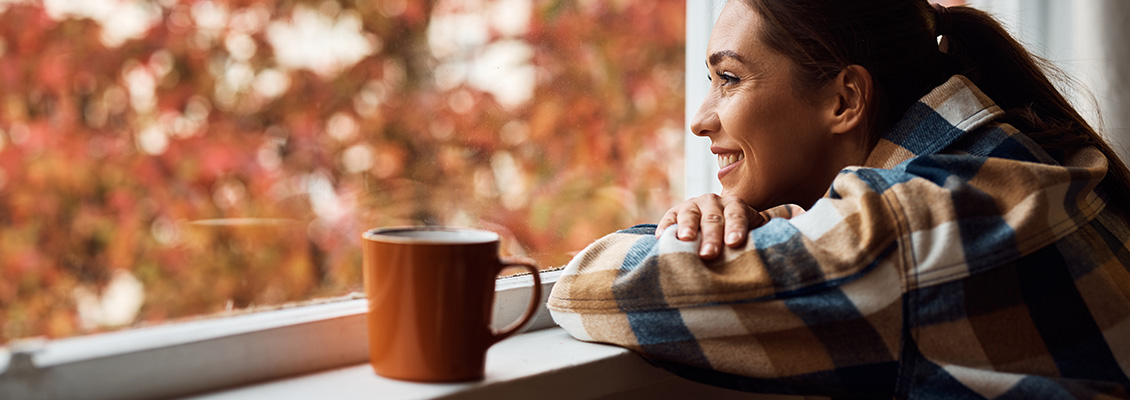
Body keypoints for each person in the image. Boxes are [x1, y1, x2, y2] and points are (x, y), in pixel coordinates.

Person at [547, 0, 1130, 398]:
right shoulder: (1021, 157)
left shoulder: (903, 229)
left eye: (728, 79)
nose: (700, 120)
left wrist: (684, 232)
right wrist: (766, 221)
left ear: (844, 99)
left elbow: (584, 289)